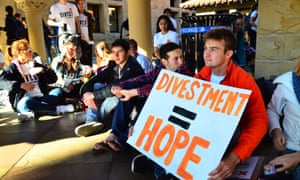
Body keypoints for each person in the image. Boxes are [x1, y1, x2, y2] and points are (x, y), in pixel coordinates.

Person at [192, 28, 267, 180]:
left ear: (228, 54)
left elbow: (259, 121)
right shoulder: (199, 77)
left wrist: (235, 157)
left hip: (229, 142)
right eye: (206, 48)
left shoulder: (244, 81)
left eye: (213, 50)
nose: (206, 54)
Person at [92, 42, 191, 154]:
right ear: (164, 62)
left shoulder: (184, 74)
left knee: (147, 104)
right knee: (129, 88)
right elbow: (143, 79)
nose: (181, 62)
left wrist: (134, 92)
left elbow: (158, 90)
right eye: (176, 59)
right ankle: (115, 133)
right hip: (151, 103)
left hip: (167, 111)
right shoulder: (159, 70)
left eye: (181, 57)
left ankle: (122, 140)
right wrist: (122, 86)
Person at [74, 39, 144, 137]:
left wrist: (93, 95)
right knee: (97, 85)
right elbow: (96, 79)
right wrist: (86, 93)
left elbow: (119, 86)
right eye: (114, 52)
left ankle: (91, 118)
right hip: (115, 96)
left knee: (115, 96)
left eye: (119, 52)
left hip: (130, 101)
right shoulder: (114, 66)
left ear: (128, 52)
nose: (116, 55)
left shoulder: (134, 68)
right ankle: (91, 119)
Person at [0, 39, 73, 122]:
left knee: (58, 91)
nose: (31, 51)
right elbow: (1, 82)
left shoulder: (35, 64)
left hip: (42, 98)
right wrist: (21, 85)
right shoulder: (12, 68)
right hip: (26, 100)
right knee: (25, 103)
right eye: (27, 50)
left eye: (30, 49)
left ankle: (33, 113)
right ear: (19, 53)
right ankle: (57, 109)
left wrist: (43, 70)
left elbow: (53, 79)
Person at [265, 59, 300, 180]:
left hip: (295, 156)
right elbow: (272, 109)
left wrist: (297, 158)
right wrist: (275, 130)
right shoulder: (288, 83)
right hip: (289, 148)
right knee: (267, 172)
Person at [75, 0, 95, 66]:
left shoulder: (88, 15)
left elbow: (92, 27)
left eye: (82, 3)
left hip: (88, 39)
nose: (81, 5)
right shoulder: (75, 15)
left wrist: (93, 18)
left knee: (89, 58)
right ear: (77, 5)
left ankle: (90, 73)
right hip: (80, 39)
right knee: (82, 58)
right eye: (79, 4)